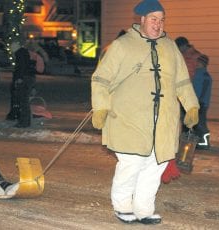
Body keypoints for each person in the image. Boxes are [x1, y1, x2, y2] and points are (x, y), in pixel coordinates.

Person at [91, 0, 199, 225]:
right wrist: (100, 107)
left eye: (161, 20)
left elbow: (182, 81)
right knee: (131, 164)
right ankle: (122, 206)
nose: (158, 24)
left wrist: (191, 105)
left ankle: (144, 209)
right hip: (129, 118)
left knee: (155, 166)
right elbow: (101, 79)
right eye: (153, 19)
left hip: (163, 121)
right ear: (141, 19)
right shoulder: (122, 45)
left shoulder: (170, 47)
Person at [6, 41, 36, 128]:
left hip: (24, 80)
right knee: (24, 101)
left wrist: (19, 78)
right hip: (27, 78)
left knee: (23, 101)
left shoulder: (20, 54)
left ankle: (24, 122)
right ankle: (25, 121)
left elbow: (21, 68)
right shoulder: (23, 53)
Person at [192, 54, 212, 149]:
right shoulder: (196, 74)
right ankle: (199, 141)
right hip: (195, 102)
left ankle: (205, 142)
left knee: (201, 123)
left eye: (199, 62)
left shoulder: (205, 76)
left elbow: (204, 90)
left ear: (203, 64)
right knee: (196, 122)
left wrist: (200, 101)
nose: (197, 63)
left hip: (201, 103)